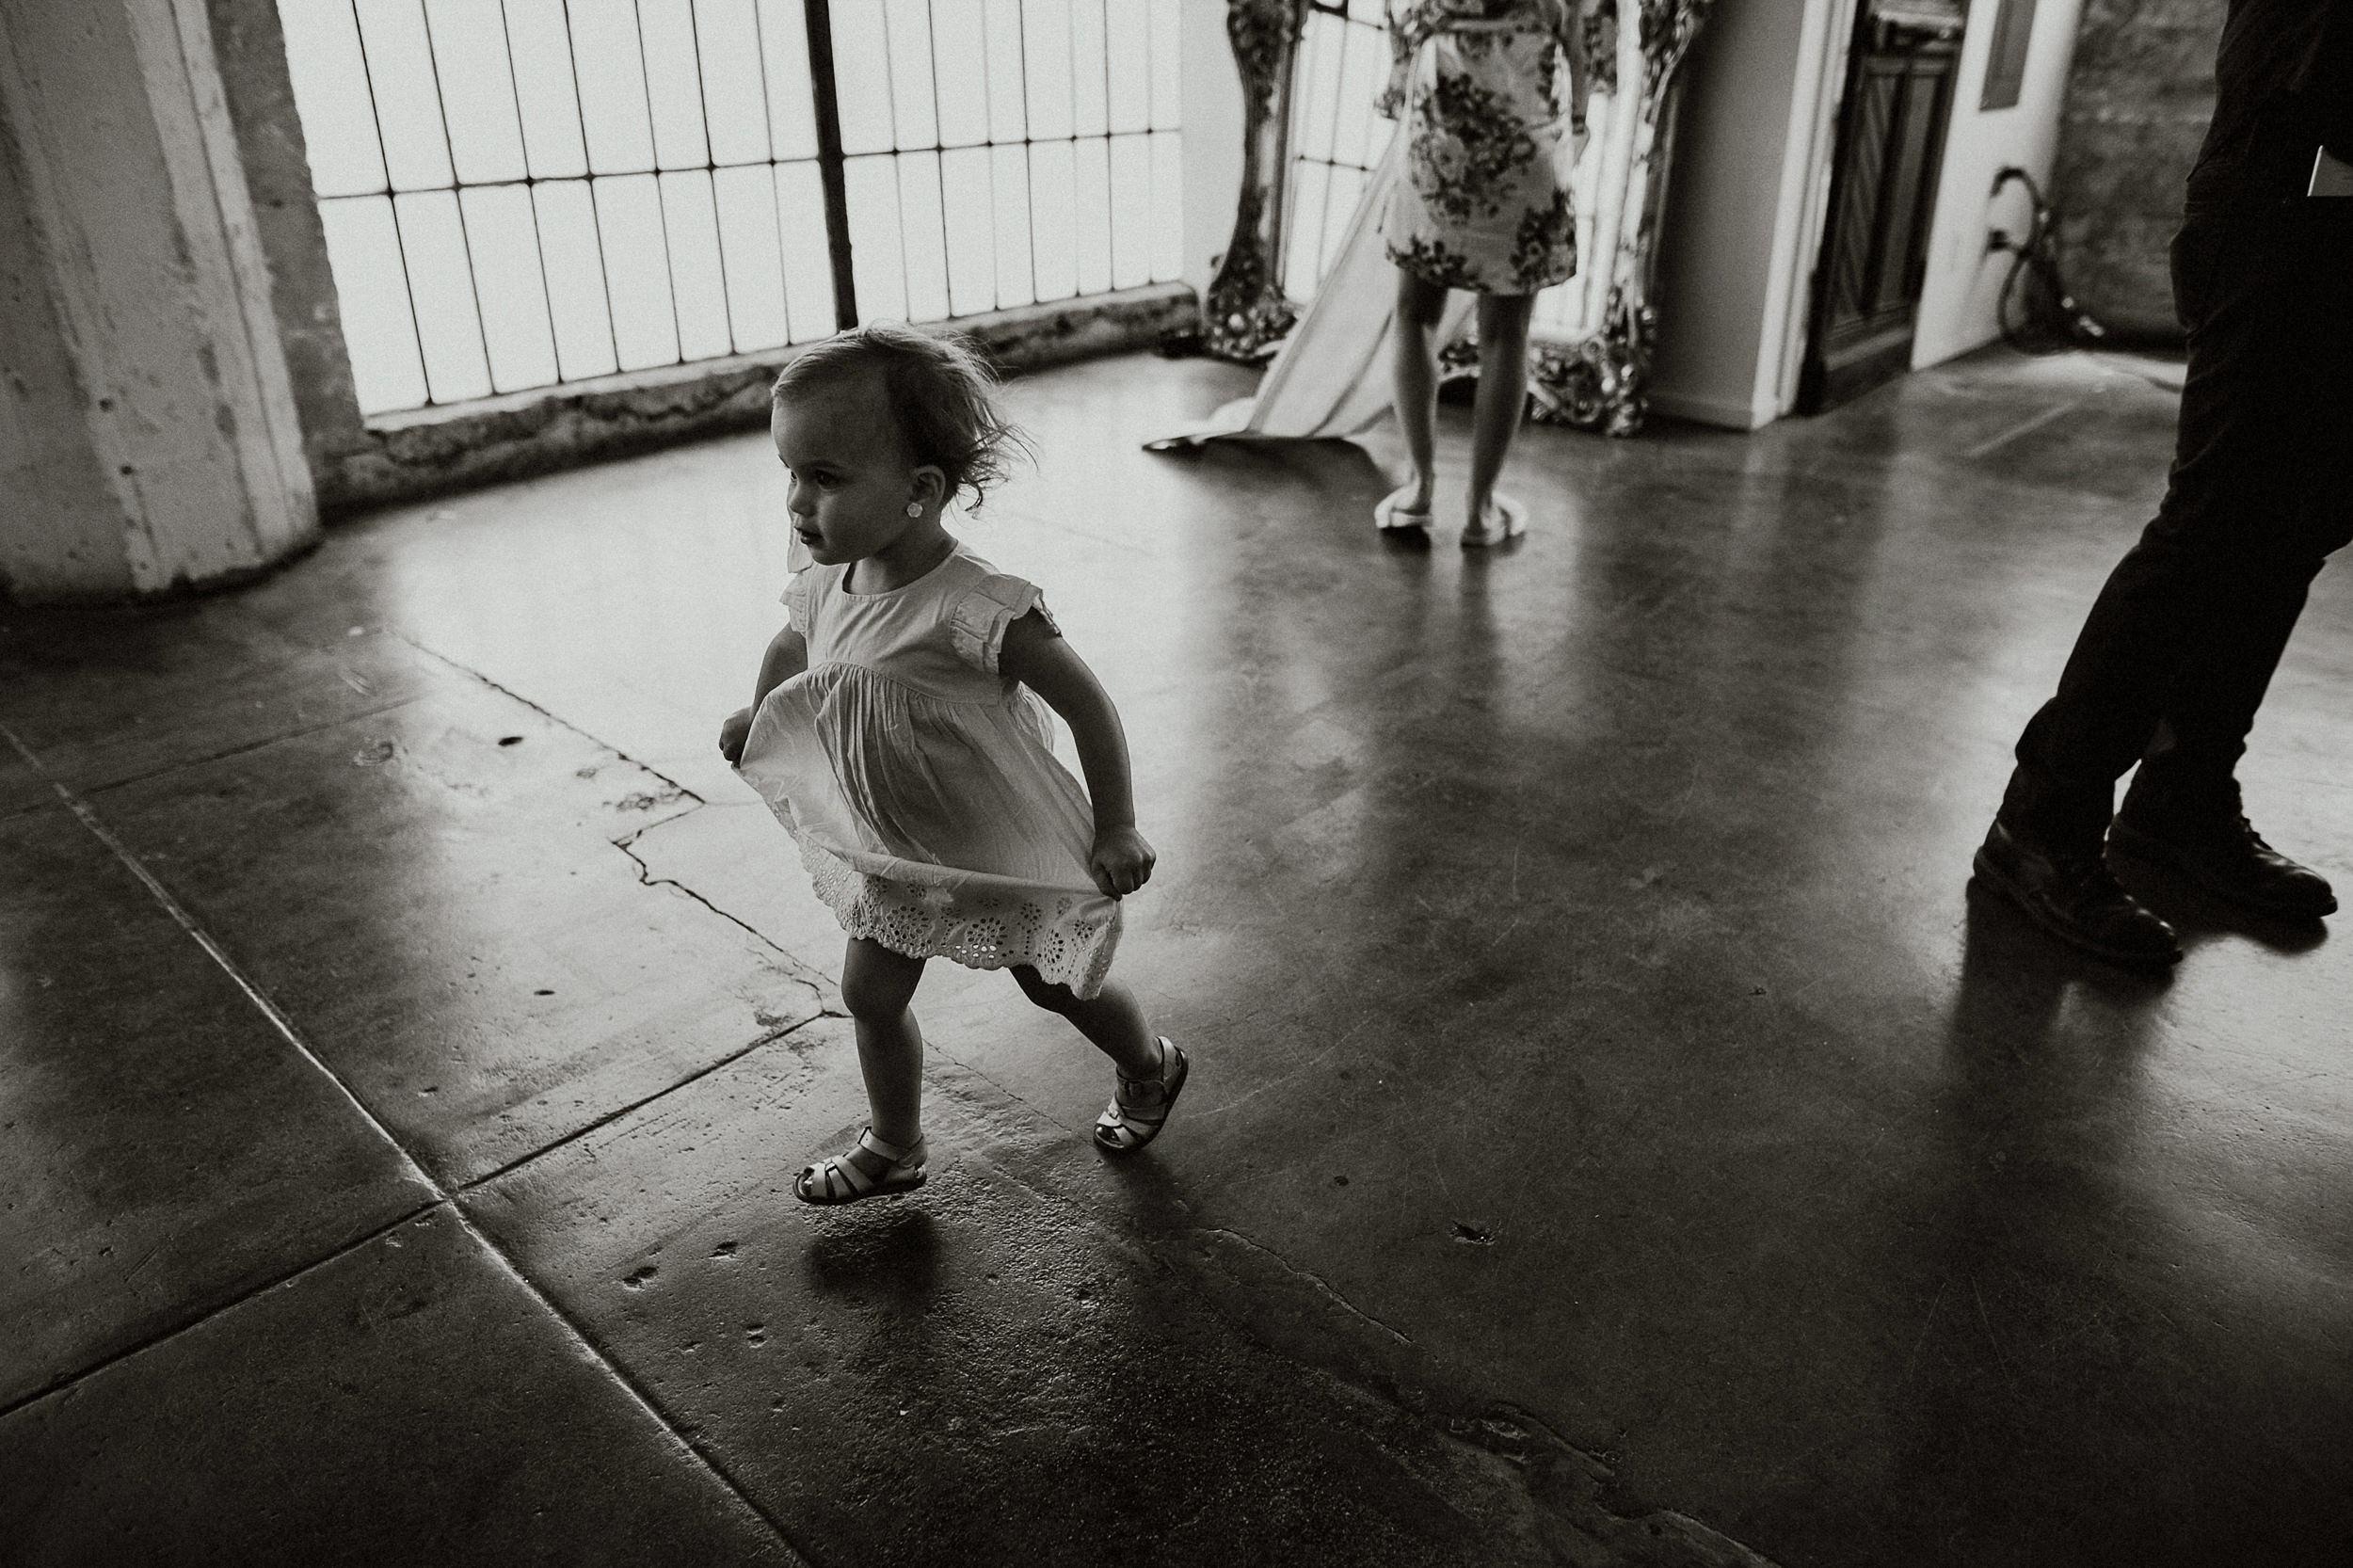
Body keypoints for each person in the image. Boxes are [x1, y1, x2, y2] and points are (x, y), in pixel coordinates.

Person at [717, 325, 1187, 1204]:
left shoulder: (973, 606)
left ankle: (1150, 1064)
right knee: (869, 995)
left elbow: (1089, 705)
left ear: (919, 490)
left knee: (1055, 987)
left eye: (825, 478)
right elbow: (793, 645)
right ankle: (896, 1144)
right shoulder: (829, 577)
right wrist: (758, 711)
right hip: (896, 847)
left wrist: (1117, 824)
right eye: (790, 473)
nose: (796, 502)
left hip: (992, 846)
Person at [1973, 0, 2353, 968]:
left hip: (2336, 216)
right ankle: (2042, 818)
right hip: (2290, 203)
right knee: (2214, 527)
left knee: (2300, 525)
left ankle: (2181, 795)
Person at [1375, 0, 1584, 546]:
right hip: (1528, 130)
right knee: (1507, 333)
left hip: (1442, 122)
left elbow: (1402, 19)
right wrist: (1577, 125)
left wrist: (1399, 84)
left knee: (1414, 314)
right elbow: (1582, 40)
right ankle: (1480, 510)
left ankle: (1419, 490)